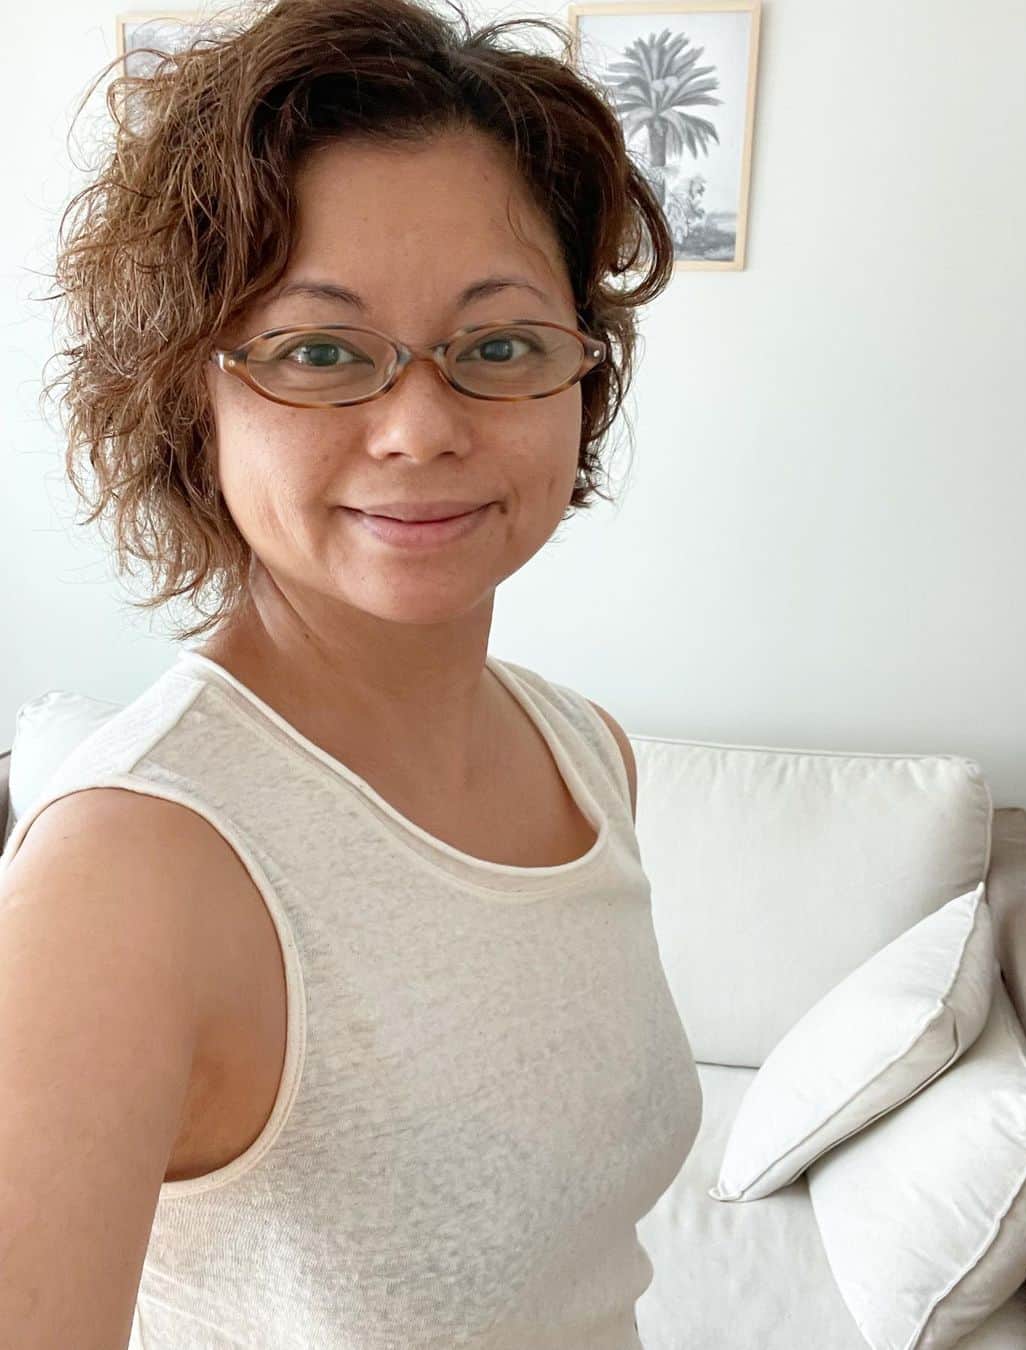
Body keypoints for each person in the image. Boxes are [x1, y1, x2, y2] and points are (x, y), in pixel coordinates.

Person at [0, 0, 704, 1344]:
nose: (421, 427)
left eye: (499, 345)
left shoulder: (588, 755)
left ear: (581, 380)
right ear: (192, 400)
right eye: (319, 352)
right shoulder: (128, 873)